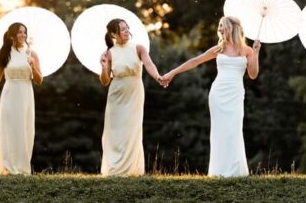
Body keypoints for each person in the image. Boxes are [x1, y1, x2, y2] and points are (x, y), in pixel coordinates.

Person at [160, 16, 260, 177]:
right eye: (219, 26)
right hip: (218, 94)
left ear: (232, 28)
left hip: (235, 94)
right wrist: (172, 73)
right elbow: (195, 61)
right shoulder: (218, 49)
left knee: (234, 130)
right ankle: (219, 171)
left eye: (223, 26)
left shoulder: (247, 50)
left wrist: (256, 52)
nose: (219, 29)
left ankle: (235, 171)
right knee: (220, 131)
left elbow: (253, 75)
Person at [0, 22, 43, 175]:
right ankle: (10, 167)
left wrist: (33, 66)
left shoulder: (32, 54)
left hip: (26, 94)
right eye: (20, 32)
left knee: (25, 131)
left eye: (25, 32)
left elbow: (39, 80)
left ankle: (22, 168)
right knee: (11, 130)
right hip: (10, 94)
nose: (23, 35)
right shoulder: (4, 55)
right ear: (12, 35)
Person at [99, 18, 163, 177]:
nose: (126, 31)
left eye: (127, 28)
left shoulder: (139, 48)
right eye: (122, 29)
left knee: (132, 129)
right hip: (116, 94)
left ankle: (131, 169)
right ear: (114, 33)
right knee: (115, 131)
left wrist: (158, 77)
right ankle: (114, 169)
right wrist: (104, 67)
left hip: (134, 92)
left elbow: (149, 64)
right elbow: (105, 81)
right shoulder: (109, 53)